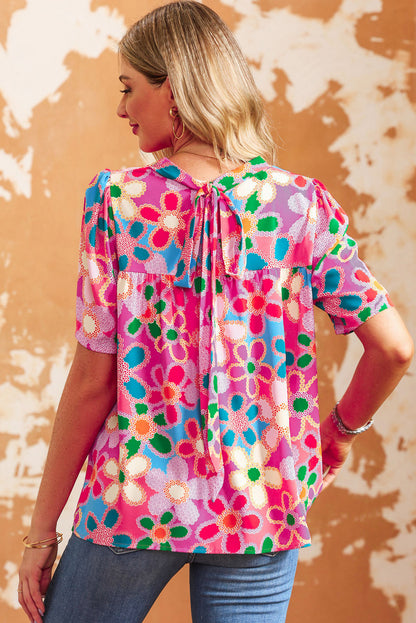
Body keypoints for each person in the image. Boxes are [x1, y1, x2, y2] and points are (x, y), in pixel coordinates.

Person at [18, 2, 413, 623]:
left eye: (129, 87)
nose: (121, 108)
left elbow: (94, 382)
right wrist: (337, 433)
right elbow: (394, 347)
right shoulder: (299, 205)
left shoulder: (118, 201)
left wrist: (42, 536)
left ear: (172, 89)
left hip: (135, 500)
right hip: (260, 507)